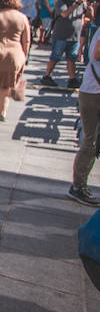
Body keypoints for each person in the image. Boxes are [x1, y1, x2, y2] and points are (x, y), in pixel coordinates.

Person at [70, 24, 100, 207]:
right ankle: (78, 186)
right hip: (93, 93)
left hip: (94, 91)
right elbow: (97, 54)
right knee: (91, 141)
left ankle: (80, 184)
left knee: (94, 142)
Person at [43, 0, 86, 88]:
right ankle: (47, 76)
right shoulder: (62, 2)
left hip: (74, 36)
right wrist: (77, 4)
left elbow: (87, 15)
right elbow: (64, 14)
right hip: (61, 36)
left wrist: (88, 6)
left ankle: (72, 79)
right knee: (55, 57)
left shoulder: (82, 4)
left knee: (71, 58)